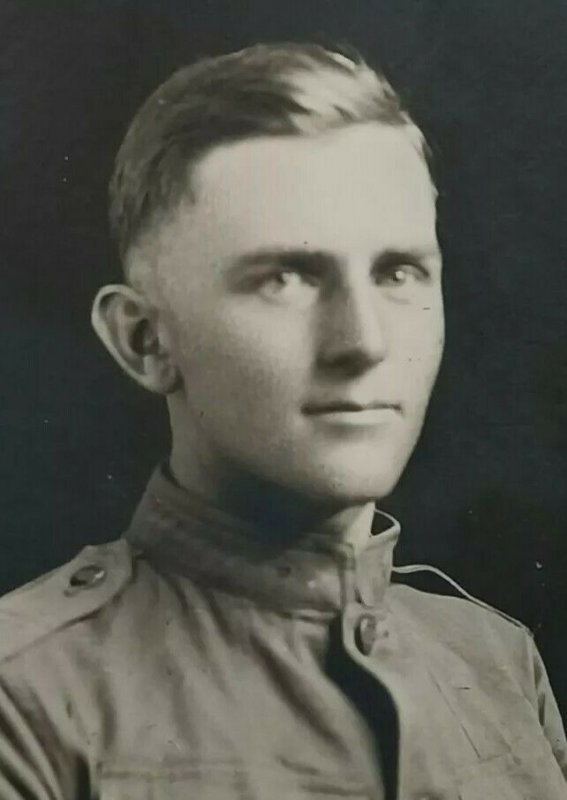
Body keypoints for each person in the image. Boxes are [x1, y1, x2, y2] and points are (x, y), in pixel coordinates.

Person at [0, 42, 565, 800]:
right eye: (286, 278)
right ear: (144, 340)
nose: (363, 340)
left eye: (398, 272)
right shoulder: (28, 696)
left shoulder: (494, 660)